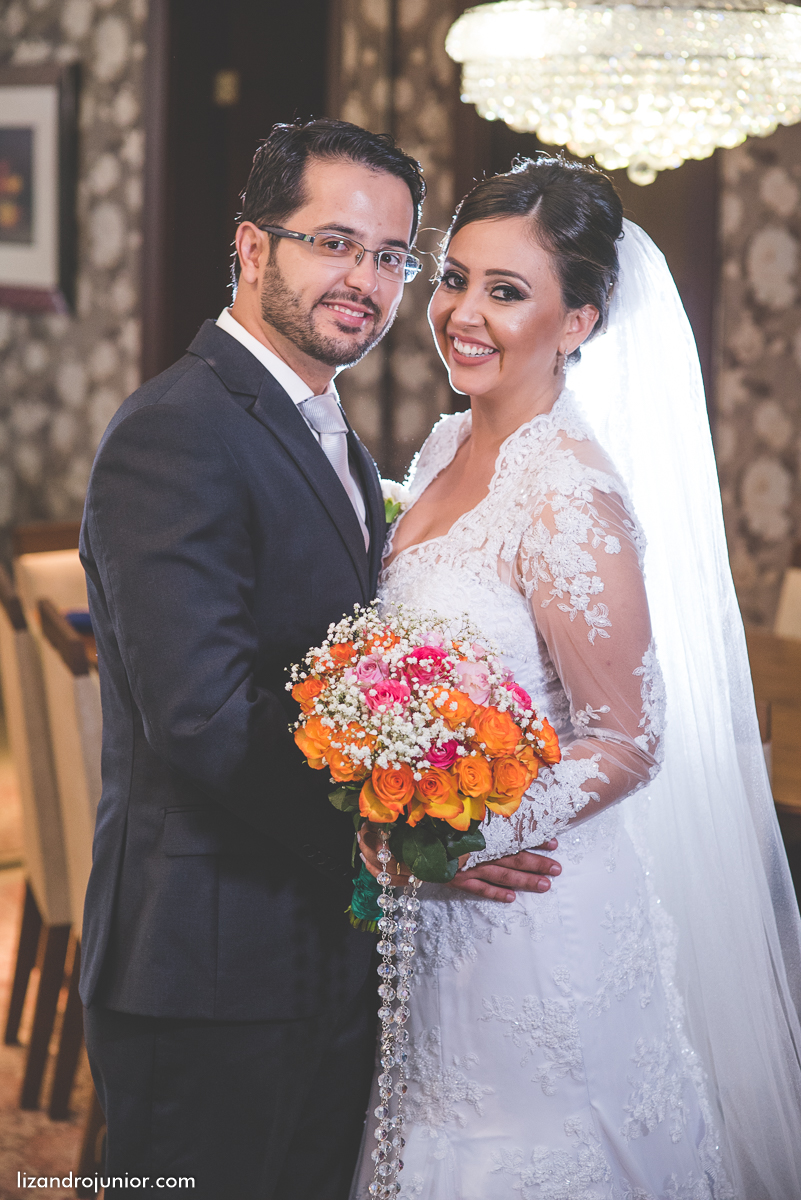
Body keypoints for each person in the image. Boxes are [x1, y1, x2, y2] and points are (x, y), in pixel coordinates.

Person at [79, 120, 563, 1200]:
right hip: (206, 963)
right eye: (334, 242)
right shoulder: (180, 428)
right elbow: (201, 717)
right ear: (253, 249)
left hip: (317, 952)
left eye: (392, 256)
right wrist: (407, 840)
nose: (367, 281)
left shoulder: (328, 430)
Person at [355, 157, 801, 1199]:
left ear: (581, 322)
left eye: (507, 292)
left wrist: (463, 835)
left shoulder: (568, 494)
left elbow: (628, 738)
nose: (462, 312)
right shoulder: (449, 442)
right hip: (439, 915)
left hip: (531, 918)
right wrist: (396, 821)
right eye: (456, 277)